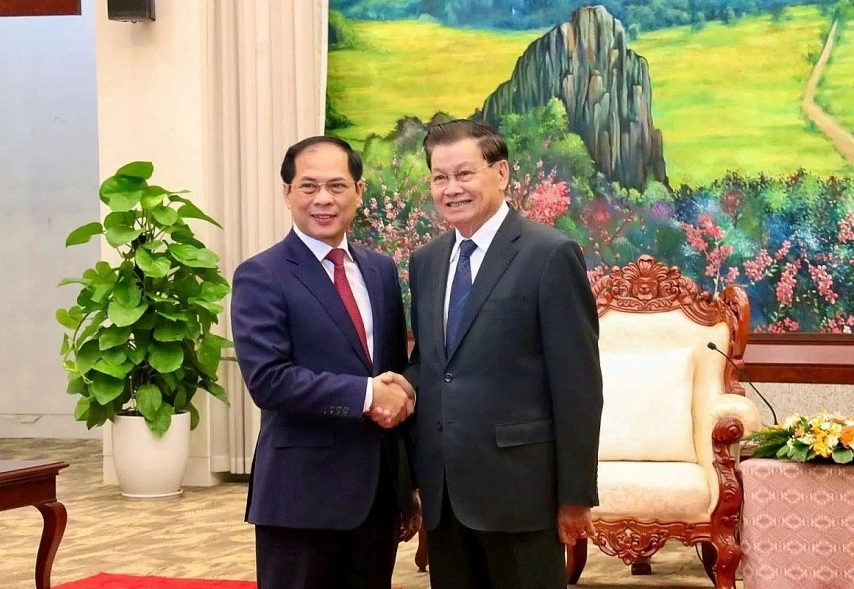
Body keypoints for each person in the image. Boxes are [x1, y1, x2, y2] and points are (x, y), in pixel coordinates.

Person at [405, 119, 603, 588]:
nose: (451, 189)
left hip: (521, 492)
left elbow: (578, 385)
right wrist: (393, 390)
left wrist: (575, 495)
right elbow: (434, 365)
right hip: (445, 494)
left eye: (464, 173)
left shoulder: (550, 254)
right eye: (439, 177)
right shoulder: (426, 261)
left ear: (501, 173)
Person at [231, 135, 420, 589]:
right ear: (287, 193)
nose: (323, 199)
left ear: (358, 191)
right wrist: (366, 394)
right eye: (308, 186)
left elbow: (392, 370)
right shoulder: (261, 274)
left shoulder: (379, 270)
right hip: (301, 497)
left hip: (376, 496)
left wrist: (406, 485)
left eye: (337, 186)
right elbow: (269, 381)